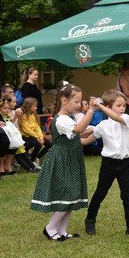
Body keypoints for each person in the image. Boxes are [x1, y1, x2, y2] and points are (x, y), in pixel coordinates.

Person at [31, 84, 97, 242]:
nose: (79, 105)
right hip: (61, 160)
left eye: (80, 102)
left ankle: (62, 230)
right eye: (76, 102)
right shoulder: (61, 120)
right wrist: (91, 110)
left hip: (71, 159)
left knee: (73, 194)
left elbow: (80, 136)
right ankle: (50, 228)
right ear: (64, 100)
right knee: (68, 193)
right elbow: (79, 129)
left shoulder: (70, 118)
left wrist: (98, 130)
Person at [84, 90, 129, 238]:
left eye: (124, 105)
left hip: (125, 164)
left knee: (127, 195)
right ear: (109, 106)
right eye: (118, 105)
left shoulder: (125, 118)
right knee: (100, 192)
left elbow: (115, 117)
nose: (122, 108)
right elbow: (86, 140)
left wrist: (99, 105)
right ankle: (90, 218)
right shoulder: (102, 125)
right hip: (108, 164)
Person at [5, 97, 39, 173]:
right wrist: (16, 116)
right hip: (12, 137)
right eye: (14, 102)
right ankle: (29, 168)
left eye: (15, 102)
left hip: (17, 135)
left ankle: (31, 167)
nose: (16, 104)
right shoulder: (6, 115)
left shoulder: (14, 112)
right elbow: (9, 124)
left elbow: (18, 124)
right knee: (19, 153)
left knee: (22, 152)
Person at [19, 97, 52, 167]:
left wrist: (41, 137)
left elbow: (37, 127)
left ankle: (37, 157)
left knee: (49, 144)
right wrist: (37, 137)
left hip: (35, 135)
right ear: (29, 106)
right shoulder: (23, 116)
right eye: (35, 106)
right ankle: (32, 160)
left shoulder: (33, 115)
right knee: (38, 145)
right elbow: (27, 130)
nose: (36, 108)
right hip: (27, 135)